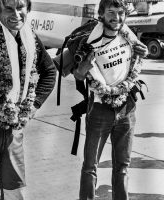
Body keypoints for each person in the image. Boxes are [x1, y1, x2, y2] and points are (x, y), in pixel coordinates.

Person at [0, 0, 56, 199]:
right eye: (9, 8)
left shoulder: (29, 39)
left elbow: (49, 71)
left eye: (20, 7)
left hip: (14, 131)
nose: (16, 14)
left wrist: (34, 105)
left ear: (27, 9)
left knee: (15, 192)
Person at [65, 0, 148, 199]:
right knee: (90, 167)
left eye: (120, 12)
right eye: (111, 12)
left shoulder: (128, 36)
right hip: (100, 110)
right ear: (101, 13)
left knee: (122, 166)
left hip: (127, 108)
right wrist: (84, 66)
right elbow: (78, 74)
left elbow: (137, 59)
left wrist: (143, 52)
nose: (116, 17)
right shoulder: (90, 40)